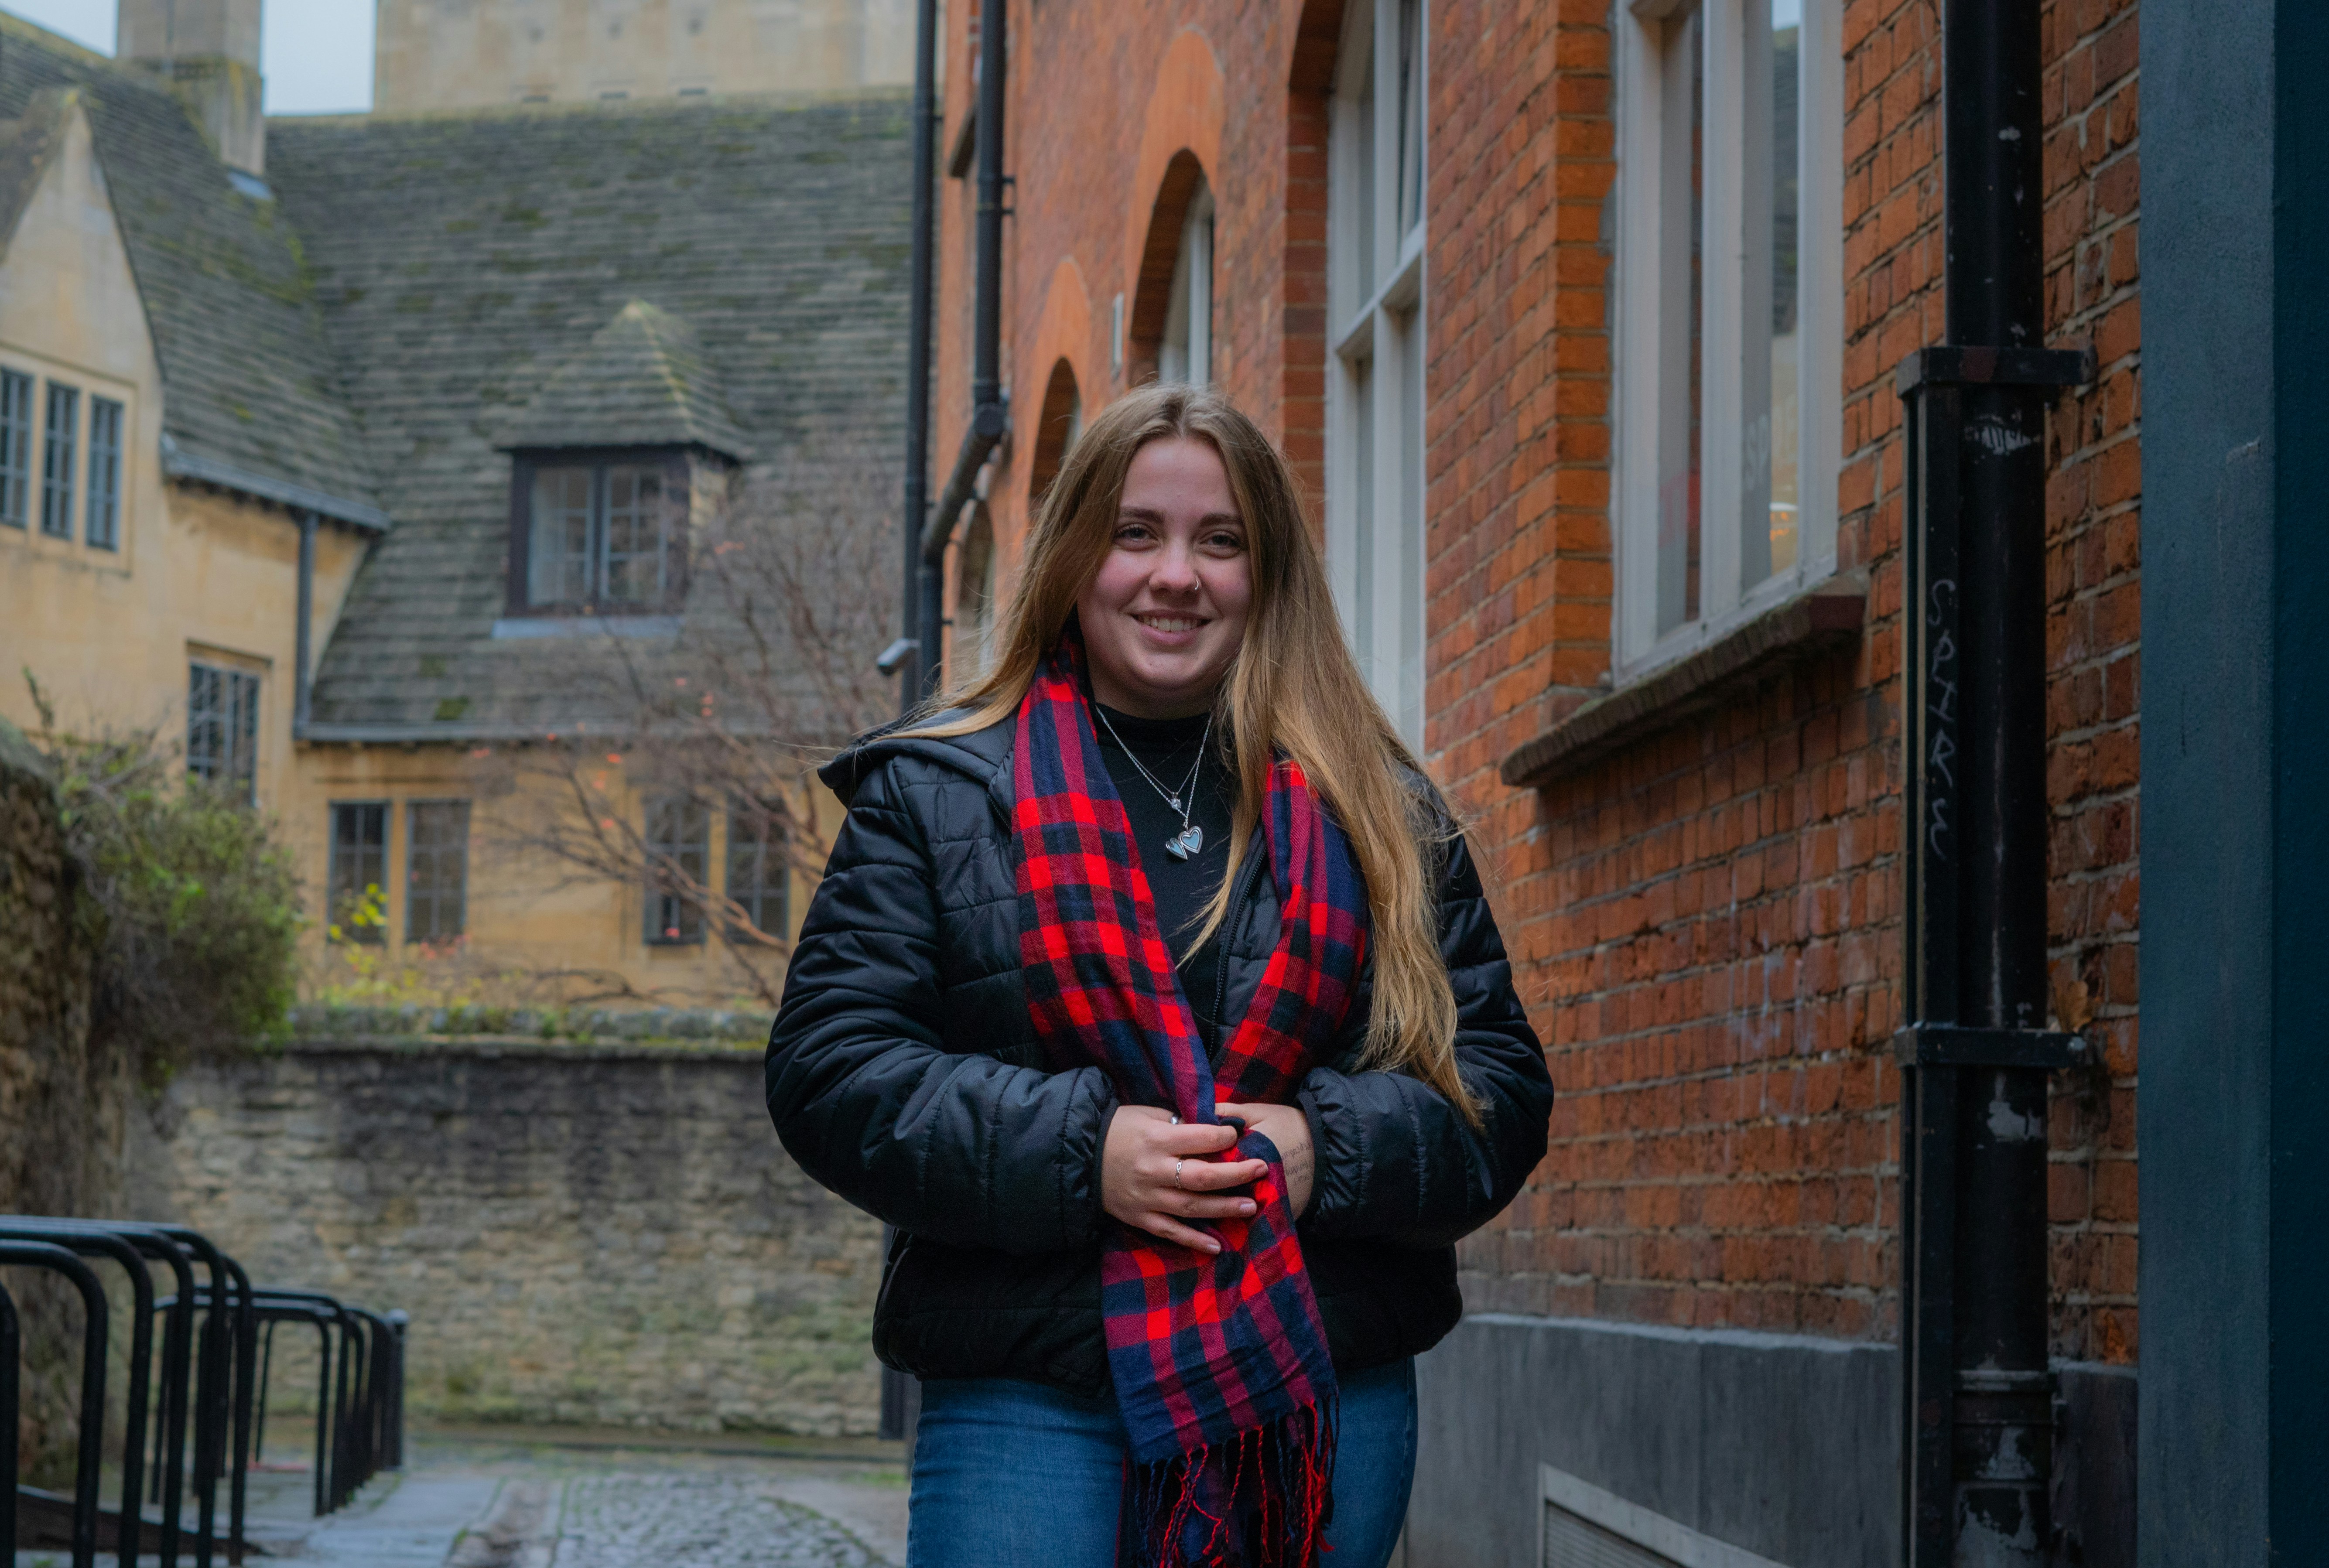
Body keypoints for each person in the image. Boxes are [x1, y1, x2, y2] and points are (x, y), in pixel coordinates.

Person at [766, 384, 1553, 1568]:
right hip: (1031, 1387)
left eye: (1218, 539)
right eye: (1136, 532)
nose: (1174, 573)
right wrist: (1086, 1152)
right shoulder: (931, 794)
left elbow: (1495, 1088)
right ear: (1077, 553)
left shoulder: (1379, 808)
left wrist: (1323, 1150)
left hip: (1318, 1383)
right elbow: (833, 1071)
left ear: (1265, 572)